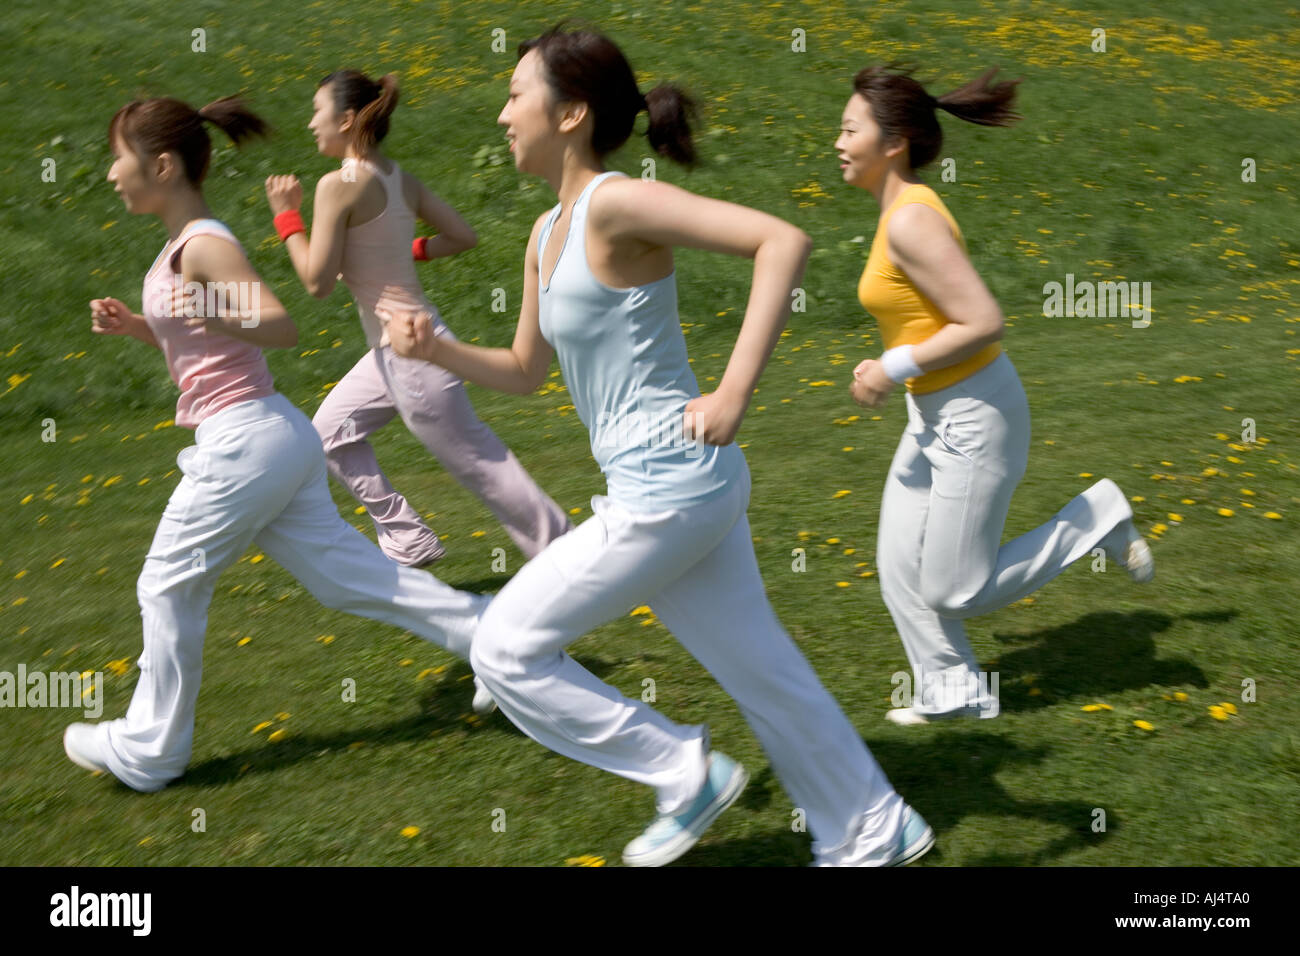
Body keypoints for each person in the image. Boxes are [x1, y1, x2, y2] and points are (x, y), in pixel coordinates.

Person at [384, 24, 933, 867]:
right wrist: (436, 351)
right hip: (679, 490)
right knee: (761, 668)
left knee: (503, 648)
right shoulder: (545, 232)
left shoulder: (615, 202)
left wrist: (734, 390)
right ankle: (873, 824)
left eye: (514, 93)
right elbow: (527, 371)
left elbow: (780, 243)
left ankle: (683, 773)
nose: (501, 113)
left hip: (667, 489)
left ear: (570, 114)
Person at [64, 94, 489, 793]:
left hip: (246, 442)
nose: (112, 173)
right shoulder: (185, 245)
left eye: (119, 157)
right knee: (347, 579)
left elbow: (277, 322)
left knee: (166, 584)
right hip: (270, 438)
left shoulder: (204, 243)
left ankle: (149, 750)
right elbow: (206, 338)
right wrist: (139, 325)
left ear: (162, 164)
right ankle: (500, 638)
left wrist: (209, 305)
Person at [836, 66, 1154, 725]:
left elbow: (983, 321)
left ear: (892, 142)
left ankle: (1095, 518)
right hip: (934, 414)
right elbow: (924, 315)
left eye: (849, 128)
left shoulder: (910, 222)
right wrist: (897, 366)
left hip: (974, 417)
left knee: (955, 588)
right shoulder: (899, 212)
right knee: (899, 565)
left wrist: (891, 367)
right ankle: (953, 693)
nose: (837, 141)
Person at [264, 70, 571, 572]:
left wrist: (286, 217)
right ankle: (408, 538)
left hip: (414, 356)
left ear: (344, 120)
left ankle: (570, 558)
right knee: (328, 435)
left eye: (316, 110)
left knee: (484, 467)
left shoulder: (336, 184)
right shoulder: (396, 176)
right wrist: (396, 253)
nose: (309, 122)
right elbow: (462, 236)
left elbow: (316, 283)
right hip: (398, 349)